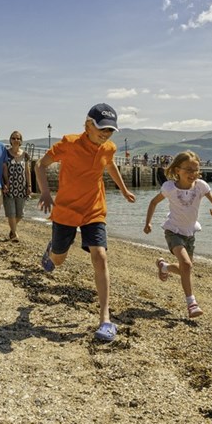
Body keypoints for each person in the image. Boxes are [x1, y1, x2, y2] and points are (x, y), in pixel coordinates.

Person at [36, 103, 136, 342]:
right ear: (88, 125)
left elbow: (110, 165)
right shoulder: (69, 144)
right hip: (67, 211)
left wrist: (123, 190)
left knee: (100, 256)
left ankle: (105, 319)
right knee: (59, 260)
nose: (106, 134)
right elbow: (41, 165)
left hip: (94, 210)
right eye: (102, 128)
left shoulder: (108, 147)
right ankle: (52, 251)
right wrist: (46, 193)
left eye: (110, 130)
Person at [143, 150, 212, 319]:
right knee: (186, 265)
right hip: (173, 231)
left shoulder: (201, 186)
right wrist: (148, 223)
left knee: (185, 269)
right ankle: (192, 304)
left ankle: (164, 266)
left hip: (190, 233)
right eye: (188, 169)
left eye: (195, 170)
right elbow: (153, 202)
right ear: (177, 170)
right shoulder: (170, 188)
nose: (192, 173)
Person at [3, 130, 32, 242]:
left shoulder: (25, 155)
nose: (16, 140)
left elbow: (28, 171)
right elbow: (3, 169)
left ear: (21, 141)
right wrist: (5, 183)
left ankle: (12, 229)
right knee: (11, 212)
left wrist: (29, 186)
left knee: (20, 214)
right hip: (9, 187)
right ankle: (14, 234)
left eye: (18, 138)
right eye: (14, 138)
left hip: (21, 187)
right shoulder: (5, 153)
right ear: (10, 140)